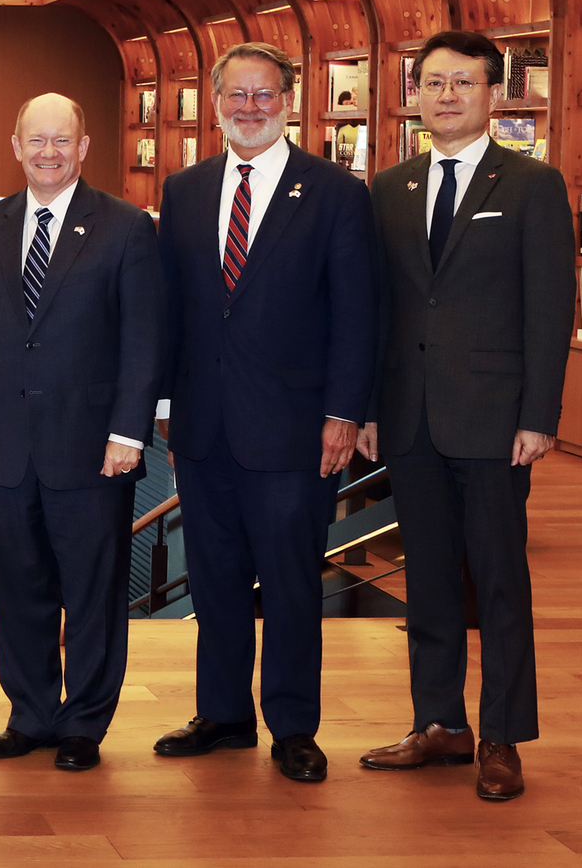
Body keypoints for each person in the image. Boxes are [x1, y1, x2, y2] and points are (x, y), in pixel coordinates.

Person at [154, 41, 380, 783]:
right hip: (204, 426)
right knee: (214, 579)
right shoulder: (184, 190)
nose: (250, 108)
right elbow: (176, 313)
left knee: (288, 583)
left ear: (289, 101)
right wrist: (162, 405)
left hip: (295, 431)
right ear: (214, 103)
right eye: (236, 95)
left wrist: (346, 412)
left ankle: (293, 726)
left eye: (265, 95)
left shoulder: (336, 193)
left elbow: (356, 316)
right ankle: (222, 714)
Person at [358, 29, 573, 801]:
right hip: (408, 417)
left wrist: (538, 414)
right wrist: (367, 409)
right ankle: (439, 722)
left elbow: (552, 309)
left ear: (493, 94)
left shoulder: (531, 184)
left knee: (499, 579)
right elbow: (377, 310)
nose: (446, 95)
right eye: (433, 83)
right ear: (415, 94)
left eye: (463, 83)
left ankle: (503, 737)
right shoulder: (389, 187)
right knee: (431, 583)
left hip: (493, 419)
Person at [0, 93, 162, 771]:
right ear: (15, 146)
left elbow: (142, 341)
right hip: (3, 445)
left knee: (93, 595)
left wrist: (128, 432)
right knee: (18, 591)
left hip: (93, 448)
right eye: (35, 140)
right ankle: (29, 715)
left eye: (61, 141)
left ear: (84, 147)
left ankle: (83, 724)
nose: (47, 152)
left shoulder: (125, 228)